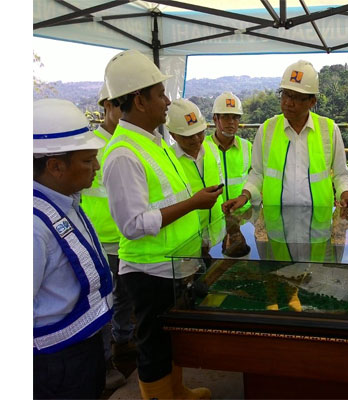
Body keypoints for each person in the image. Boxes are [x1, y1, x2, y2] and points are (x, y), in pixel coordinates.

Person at [101, 49, 221, 399]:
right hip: (150, 270)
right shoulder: (124, 153)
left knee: (171, 341)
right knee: (153, 347)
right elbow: (133, 224)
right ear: (138, 100)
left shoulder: (152, 141)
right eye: (160, 94)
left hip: (174, 263)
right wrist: (195, 203)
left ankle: (177, 391)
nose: (168, 101)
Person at [34, 98, 114, 399]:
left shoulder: (64, 200)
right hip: (55, 363)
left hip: (80, 349)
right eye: (87, 160)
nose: (96, 166)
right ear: (55, 166)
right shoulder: (31, 227)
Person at [222, 60, 348, 213]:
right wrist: (244, 196)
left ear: (312, 101)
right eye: (285, 95)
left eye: (296, 97)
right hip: (277, 223)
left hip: (317, 224)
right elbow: (257, 173)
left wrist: (346, 194)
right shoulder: (267, 130)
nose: (288, 103)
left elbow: (341, 174)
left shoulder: (328, 130)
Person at [80, 83, 131, 390]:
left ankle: (123, 343)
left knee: (124, 298)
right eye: (116, 105)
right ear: (106, 106)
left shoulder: (132, 142)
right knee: (101, 304)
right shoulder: (90, 145)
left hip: (129, 240)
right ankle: (105, 363)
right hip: (100, 241)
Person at [166, 98, 224, 228]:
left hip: (217, 228)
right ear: (173, 135)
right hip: (190, 235)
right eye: (189, 136)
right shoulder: (168, 159)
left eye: (199, 133)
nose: (197, 139)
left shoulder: (212, 148)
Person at [205, 91, 252, 204]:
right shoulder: (203, 147)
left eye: (235, 117)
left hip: (242, 213)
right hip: (215, 215)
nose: (231, 122)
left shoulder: (247, 146)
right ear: (215, 119)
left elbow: (255, 179)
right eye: (225, 117)